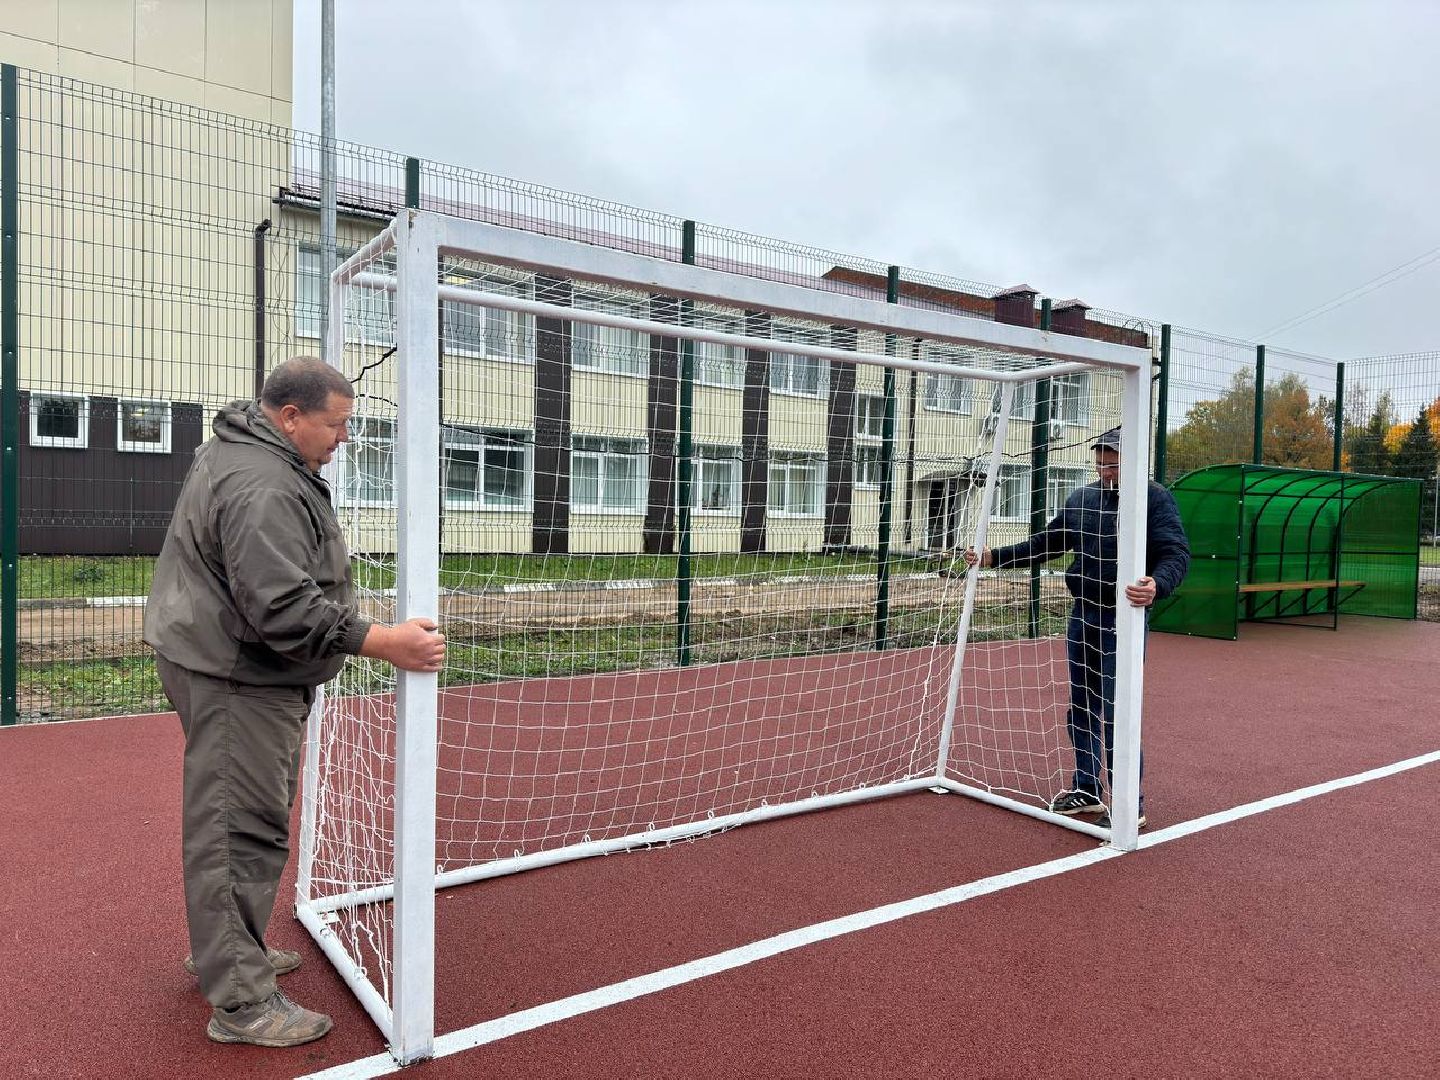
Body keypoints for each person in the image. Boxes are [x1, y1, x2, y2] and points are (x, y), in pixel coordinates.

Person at [144, 357, 446, 1048]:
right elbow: (278, 604)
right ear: (291, 416)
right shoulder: (262, 483)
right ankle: (242, 1001)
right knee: (237, 827)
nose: (344, 438)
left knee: (251, 817)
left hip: (232, 660)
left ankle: (231, 950)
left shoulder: (251, 450)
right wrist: (381, 641)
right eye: (336, 425)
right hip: (235, 670)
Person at [964, 426, 1189, 829]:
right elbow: (1048, 542)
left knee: (1119, 711)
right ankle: (1086, 789)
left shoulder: (1154, 499)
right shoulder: (1082, 498)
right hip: (1082, 615)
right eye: (1100, 461)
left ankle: (1127, 803)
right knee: (1081, 706)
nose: (1106, 469)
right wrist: (994, 556)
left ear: (1133, 460)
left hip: (1123, 620)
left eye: (1113, 461)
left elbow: (1175, 552)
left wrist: (1159, 583)